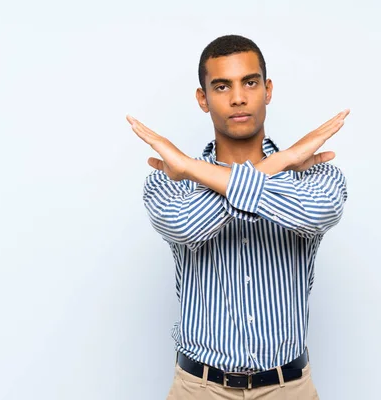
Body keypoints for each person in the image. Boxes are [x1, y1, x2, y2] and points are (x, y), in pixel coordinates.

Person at [126, 34, 349, 399]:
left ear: (268, 89)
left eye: (249, 82)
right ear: (203, 98)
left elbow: (319, 212)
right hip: (198, 389)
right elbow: (185, 226)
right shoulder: (168, 182)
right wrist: (280, 162)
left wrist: (193, 168)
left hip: (288, 388)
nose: (238, 97)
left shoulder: (315, 173)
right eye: (221, 86)